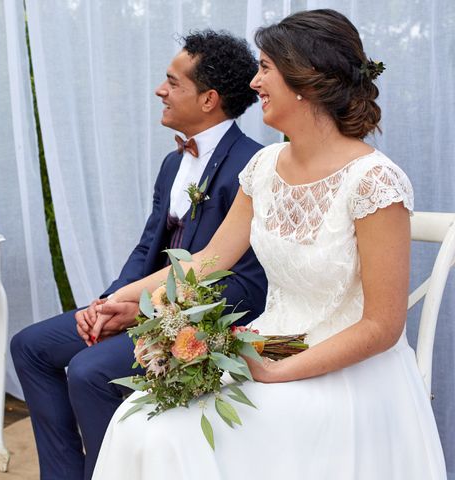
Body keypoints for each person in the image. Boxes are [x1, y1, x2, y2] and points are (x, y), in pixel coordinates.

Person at [91, 9, 447, 480]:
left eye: (265, 68)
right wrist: (125, 300)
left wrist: (280, 372)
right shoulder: (264, 166)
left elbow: (382, 325)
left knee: (169, 437)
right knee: (137, 420)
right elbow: (208, 260)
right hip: (266, 345)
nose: (254, 83)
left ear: (307, 80)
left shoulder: (375, 182)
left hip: (348, 369)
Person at [11, 30, 268, 480]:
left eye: (173, 82)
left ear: (208, 99)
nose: (159, 90)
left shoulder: (254, 165)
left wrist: (141, 311)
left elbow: (242, 283)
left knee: (88, 371)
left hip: (204, 318)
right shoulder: (173, 163)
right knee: (30, 347)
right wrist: (107, 304)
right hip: (143, 302)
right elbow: (148, 248)